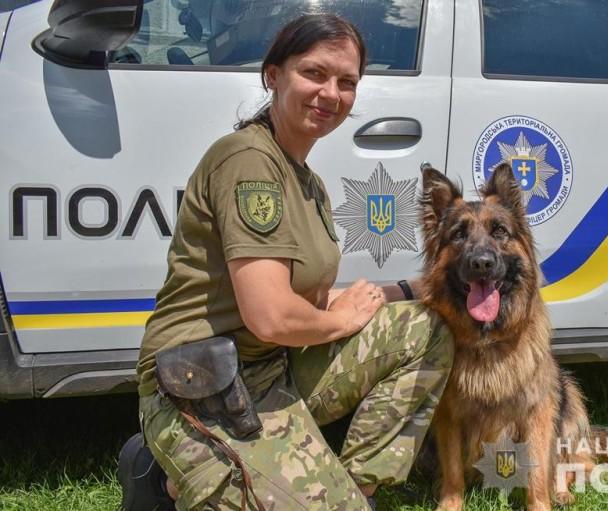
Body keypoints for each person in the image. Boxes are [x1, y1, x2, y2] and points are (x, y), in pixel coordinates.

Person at [119, 13, 454, 511]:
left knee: (427, 329)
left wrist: (408, 291)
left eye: (346, 82)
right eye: (314, 73)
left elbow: (308, 305)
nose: (331, 93)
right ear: (273, 76)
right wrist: (340, 318)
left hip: (271, 368)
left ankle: (356, 487)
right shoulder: (247, 160)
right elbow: (273, 315)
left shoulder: (308, 183)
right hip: (200, 385)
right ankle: (163, 474)